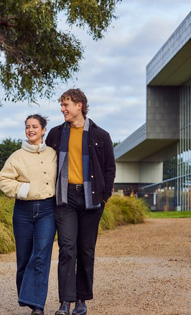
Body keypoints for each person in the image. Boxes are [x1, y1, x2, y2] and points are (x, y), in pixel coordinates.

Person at [46, 88, 116, 315]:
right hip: (65, 198)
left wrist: (104, 197)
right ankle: (65, 301)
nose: (62, 109)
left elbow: (109, 169)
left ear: (80, 106)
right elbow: (46, 166)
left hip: (91, 200)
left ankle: (82, 300)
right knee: (67, 249)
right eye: (62, 105)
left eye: (66, 105)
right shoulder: (56, 134)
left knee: (86, 250)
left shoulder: (100, 136)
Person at [0, 114, 57, 315]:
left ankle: (37, 305)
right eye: (27, 127)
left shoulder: (53, 154)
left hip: (48, 210)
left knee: (40, 255)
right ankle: (28, 297)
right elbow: (4, 180)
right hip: (22, 211)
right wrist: (24, 189)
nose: (30, 130)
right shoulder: (16, 156)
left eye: (34, 126)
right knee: (24, 258)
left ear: (43, 130)